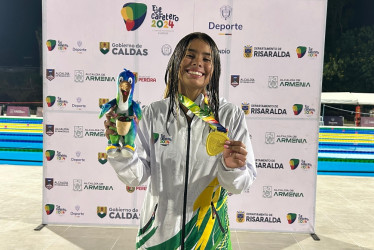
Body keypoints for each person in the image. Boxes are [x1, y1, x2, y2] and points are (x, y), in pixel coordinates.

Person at [104, 32, 257, 250]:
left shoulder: (229, 116)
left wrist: (232, 169)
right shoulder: (153, 113)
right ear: (176, 61)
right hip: (159, 236)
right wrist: (121, 147)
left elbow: (240, 183)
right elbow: (135, 177)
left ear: (214, 70)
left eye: (206, 58)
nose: (198, 63)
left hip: (208, 236)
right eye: (190, 55)